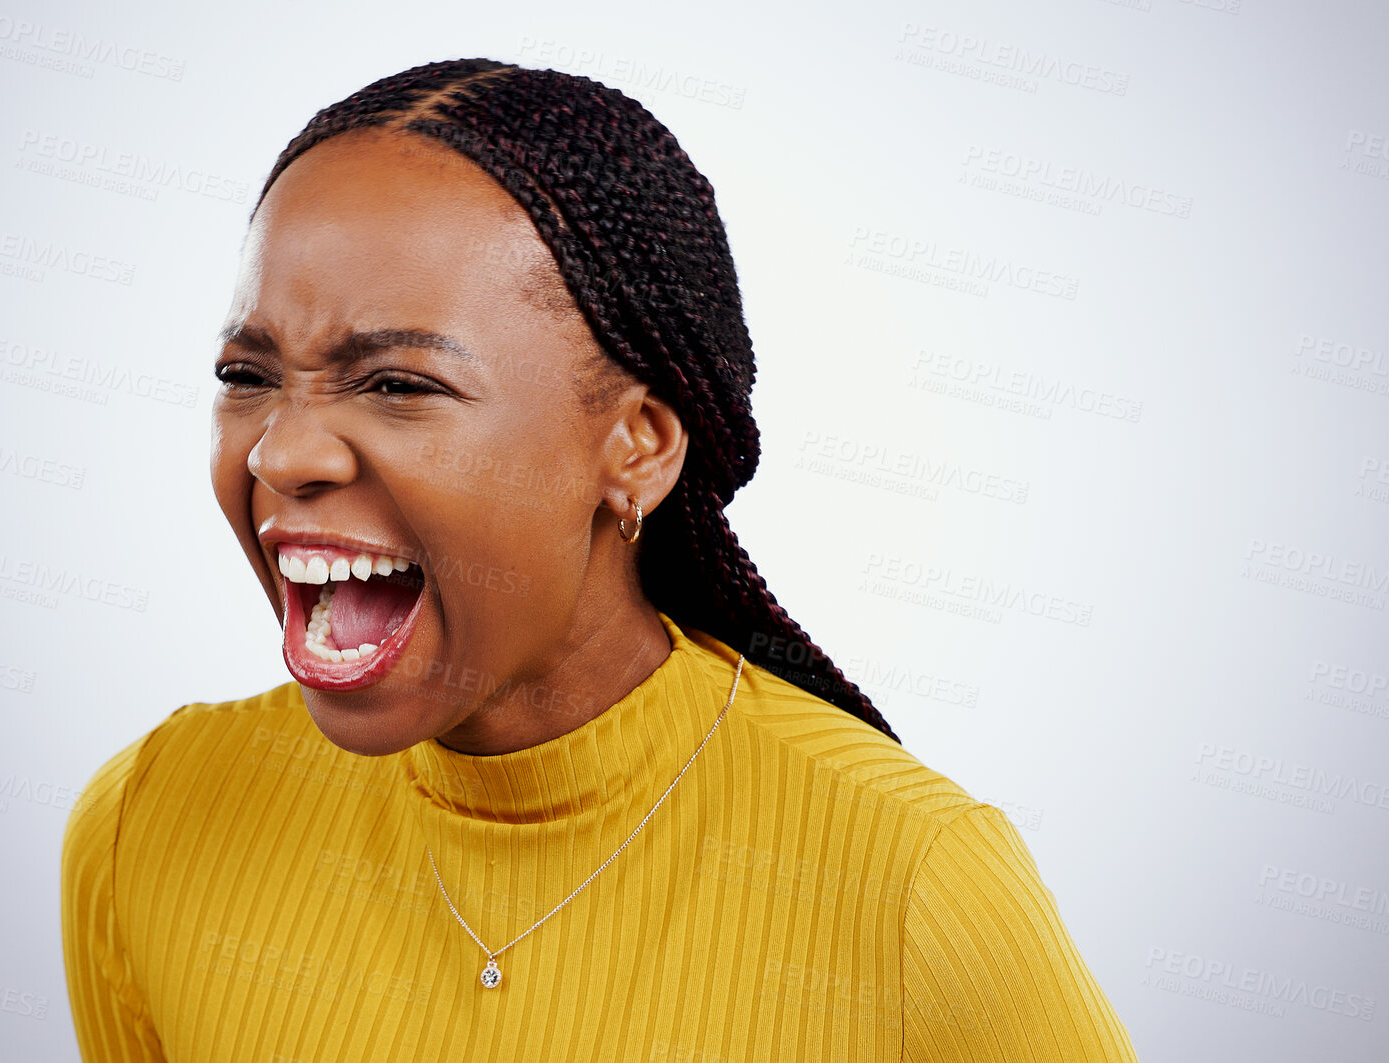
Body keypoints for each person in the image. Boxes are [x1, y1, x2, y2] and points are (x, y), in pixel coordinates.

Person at [62, 57, 1139, 1061]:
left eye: (396, 384)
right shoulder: (151, 821)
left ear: (637, 446)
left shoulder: (916, 886)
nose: (283, 450)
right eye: (247, 374)